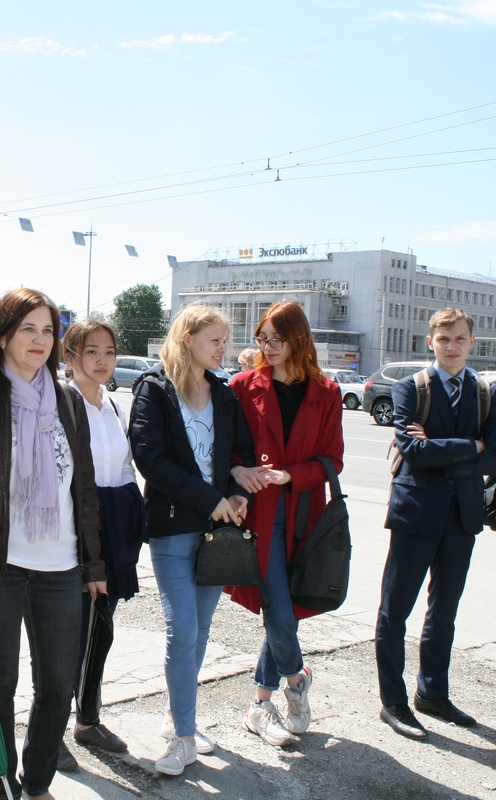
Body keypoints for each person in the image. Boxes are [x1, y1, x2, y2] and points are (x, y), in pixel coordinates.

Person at [0, 288, 106, 800]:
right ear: (2, 335)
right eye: (27, 328)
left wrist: (94, 565)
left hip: (61, 567)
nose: (39, 339)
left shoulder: (69, 400)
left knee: (58, 685)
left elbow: (85, 489)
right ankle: (2, 782)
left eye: (47, 330)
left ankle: (36, 783)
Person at [129, 303, 254, 777]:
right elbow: (151, 460)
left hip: (217, 531)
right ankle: (183, 737)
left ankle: (176, 715)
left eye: (225, 340)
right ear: (188, 340)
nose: (224, 348)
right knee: (181, 629)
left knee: (199, 631)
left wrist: (239, 494)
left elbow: (240, 453)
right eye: (215, 340)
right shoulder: (155, 389)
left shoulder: (223, 393)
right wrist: (211, 499)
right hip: (173, 527)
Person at [375, 307, 496, 740]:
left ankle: (432, 692)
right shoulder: (410, 387)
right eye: (444, 339)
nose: (452, 347)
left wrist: (444, 448)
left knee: (444, 611)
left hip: (461, 516)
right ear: (430, 341)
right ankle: (393, 701)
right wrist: (471, 445)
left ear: (472, 342)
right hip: (416, 513)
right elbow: (413, 451)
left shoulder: (485, 392)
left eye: (460, 339)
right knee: (395, 610)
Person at [227, 302, 344, 746]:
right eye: (262, 338)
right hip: (258, 513)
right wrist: (240, 471)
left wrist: (290, 475)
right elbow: (229, 447)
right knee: (277, 605)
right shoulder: (244, 385)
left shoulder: (327, 392)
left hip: (303, 512)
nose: (268, 346)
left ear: (298, 339)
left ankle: (260, 702)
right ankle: (296, 681)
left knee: (285, 608)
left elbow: (333, 459)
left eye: (276, 338)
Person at [61, 319, 146, 764]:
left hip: (114, 528)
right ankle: (49, 730)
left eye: (109, 352)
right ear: (70, 356)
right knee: (67, 635)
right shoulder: (62, 403)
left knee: (101, 629)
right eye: (91, 351)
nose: (101, 360)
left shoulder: (113, 404)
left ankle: (88, 720)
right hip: (76, 530)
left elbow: (124, 467)